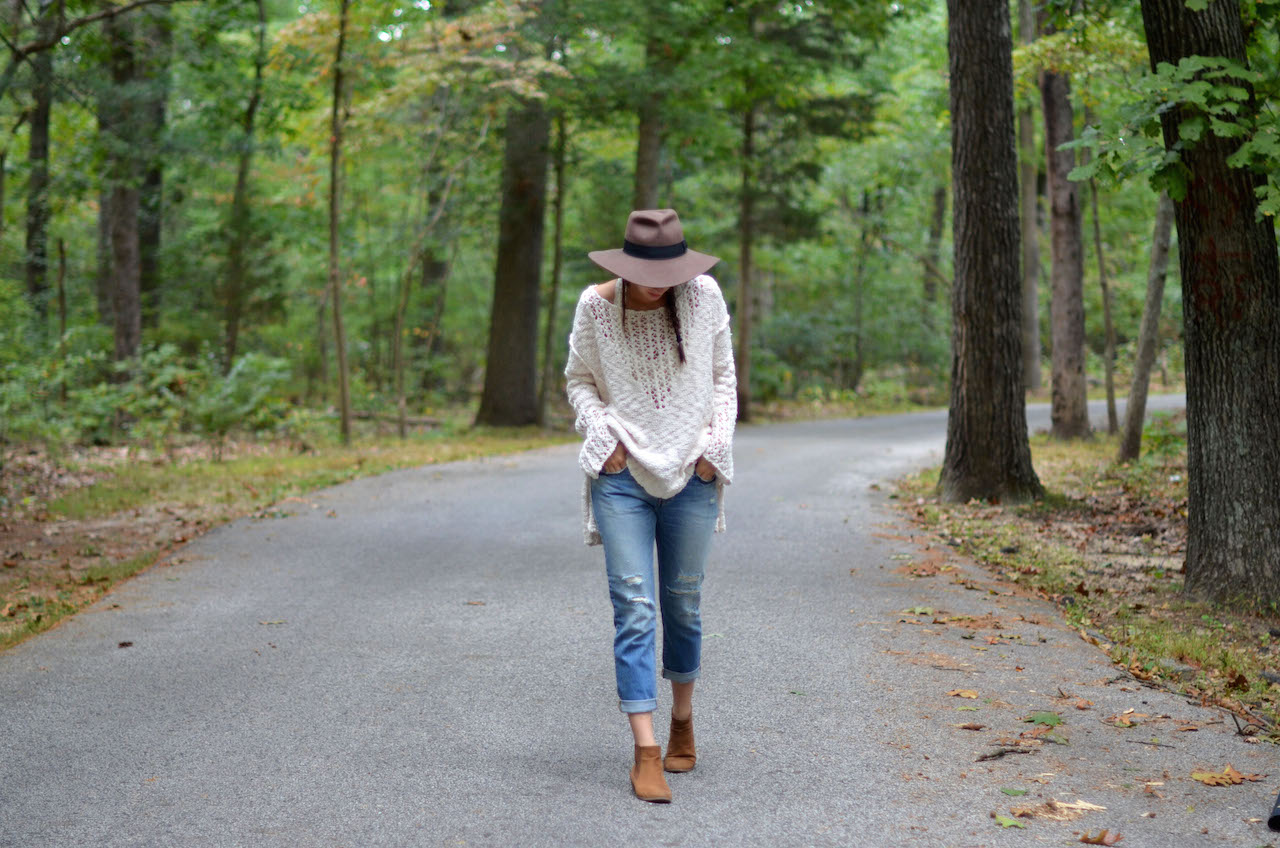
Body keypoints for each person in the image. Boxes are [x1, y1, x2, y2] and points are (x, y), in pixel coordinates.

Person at [564, 208, 737, 803]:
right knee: (635, 608)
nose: (659, 284)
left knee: (683, 604)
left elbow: (723, 378)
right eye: (647, 274)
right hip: (621, 476)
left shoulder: (704, 297)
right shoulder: (595, 307)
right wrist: (602, 436)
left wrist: (715, 448)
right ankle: (644, 750)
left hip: (694, 471)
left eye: (670, 273)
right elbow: (579, 381)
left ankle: (682, 719)